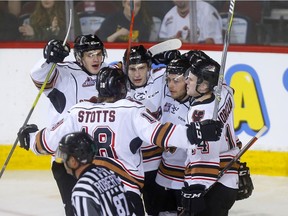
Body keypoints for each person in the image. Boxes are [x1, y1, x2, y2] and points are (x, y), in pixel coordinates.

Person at [18, 66, 223, 216]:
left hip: (91, 192)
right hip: (124, 194)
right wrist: (196, 132)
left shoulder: (79, 112)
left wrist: (28, 137)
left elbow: (48, 142)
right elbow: (161, 134)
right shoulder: (132, 110)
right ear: (122, 88)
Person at [30, 34, 107, 216]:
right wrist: (48, 58)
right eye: (90, 55)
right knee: (75, 209)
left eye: (98, 53)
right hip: (67, 159)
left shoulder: (107, 72)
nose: (95, 58)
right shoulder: (64, 72)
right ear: (79, 57)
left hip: (99, 156)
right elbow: (38, 76)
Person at [123, 45, 182, 215]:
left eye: (141, 68)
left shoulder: (161, 79)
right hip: (129, 166)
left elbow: (186, 75)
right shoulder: (118, 85)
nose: (137, 74)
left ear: (149, 67)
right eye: (132, 69)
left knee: (158, 211)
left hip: (156, 165)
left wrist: (174, 59)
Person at [181, 52, 240, 215]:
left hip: (211, 186)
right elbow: (220, 80)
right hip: (229, 180)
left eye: (191, 79)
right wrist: (204, 61)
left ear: (204, 86)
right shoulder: (225, 93)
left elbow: (203, 155)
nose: (186, 81)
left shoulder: (199, 114)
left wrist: (196, 188)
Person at [55, 131, 132, 216]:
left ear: (73, 161)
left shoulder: (82, 190)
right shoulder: (109, 174)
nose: (64, 162)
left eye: (65, 157)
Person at [153, 57, 191, 215]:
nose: (170, 85)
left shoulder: (198, 107)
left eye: (176, 81)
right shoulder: (165, 95)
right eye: (168, 80)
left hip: (186, 180)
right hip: (163, 176)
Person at [158, 0, 223, 44]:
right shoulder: (168, 16)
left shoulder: (207, 11)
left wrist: (187, 45)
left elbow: (213, 44)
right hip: (176, 60)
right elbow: (161, 43)